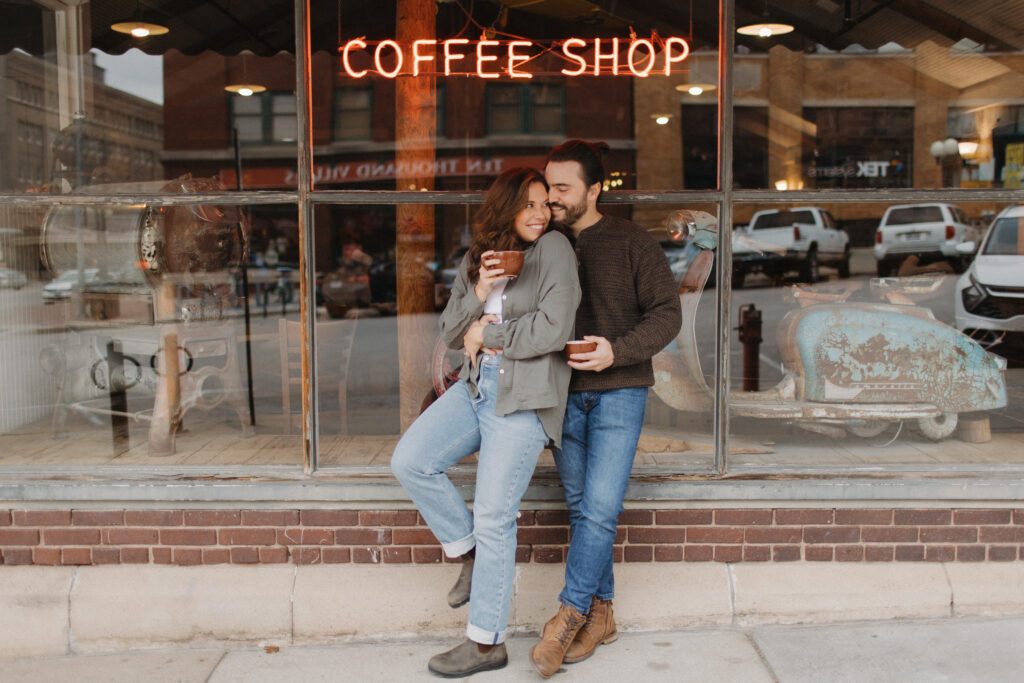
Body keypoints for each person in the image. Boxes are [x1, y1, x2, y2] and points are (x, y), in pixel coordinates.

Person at [391, 167, 581, 678]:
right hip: (476, 388)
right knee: (411, 460)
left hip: (524, 397)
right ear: (504, 210)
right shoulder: (480, 258)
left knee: (495, 515)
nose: (541, 213)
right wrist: (481, 289)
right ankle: (468, 553)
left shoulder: (554, 251)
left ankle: (484, 644)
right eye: (529, 205)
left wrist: (488, 338)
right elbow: (452, 333)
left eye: (545, 203)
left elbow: (553, 328)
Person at [530, 141, 682, 678]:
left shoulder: (632, 241)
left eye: (563, 189)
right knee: (584, 508)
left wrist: (618, 350)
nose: (552, 198)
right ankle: (604, 613)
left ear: (595, 190)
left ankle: (567, 617)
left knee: (598, 508)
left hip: (621, 390)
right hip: (560, 395)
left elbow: (667, 314)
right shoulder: (541, 241)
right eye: (549, 187)